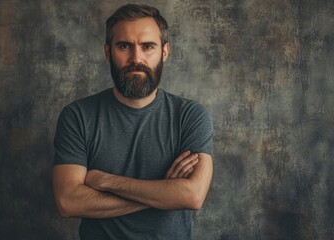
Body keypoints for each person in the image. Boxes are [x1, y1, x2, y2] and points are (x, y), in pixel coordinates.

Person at [52, 4, 213, 240]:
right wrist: (164, 191)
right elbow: (67, 202)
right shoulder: (77, 116)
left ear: (165, 52)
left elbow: (192, 196)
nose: (136, 58)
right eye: (124, 46)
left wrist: (105, 181)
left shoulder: (190, 115)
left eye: (147, 46)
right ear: (108, 52)